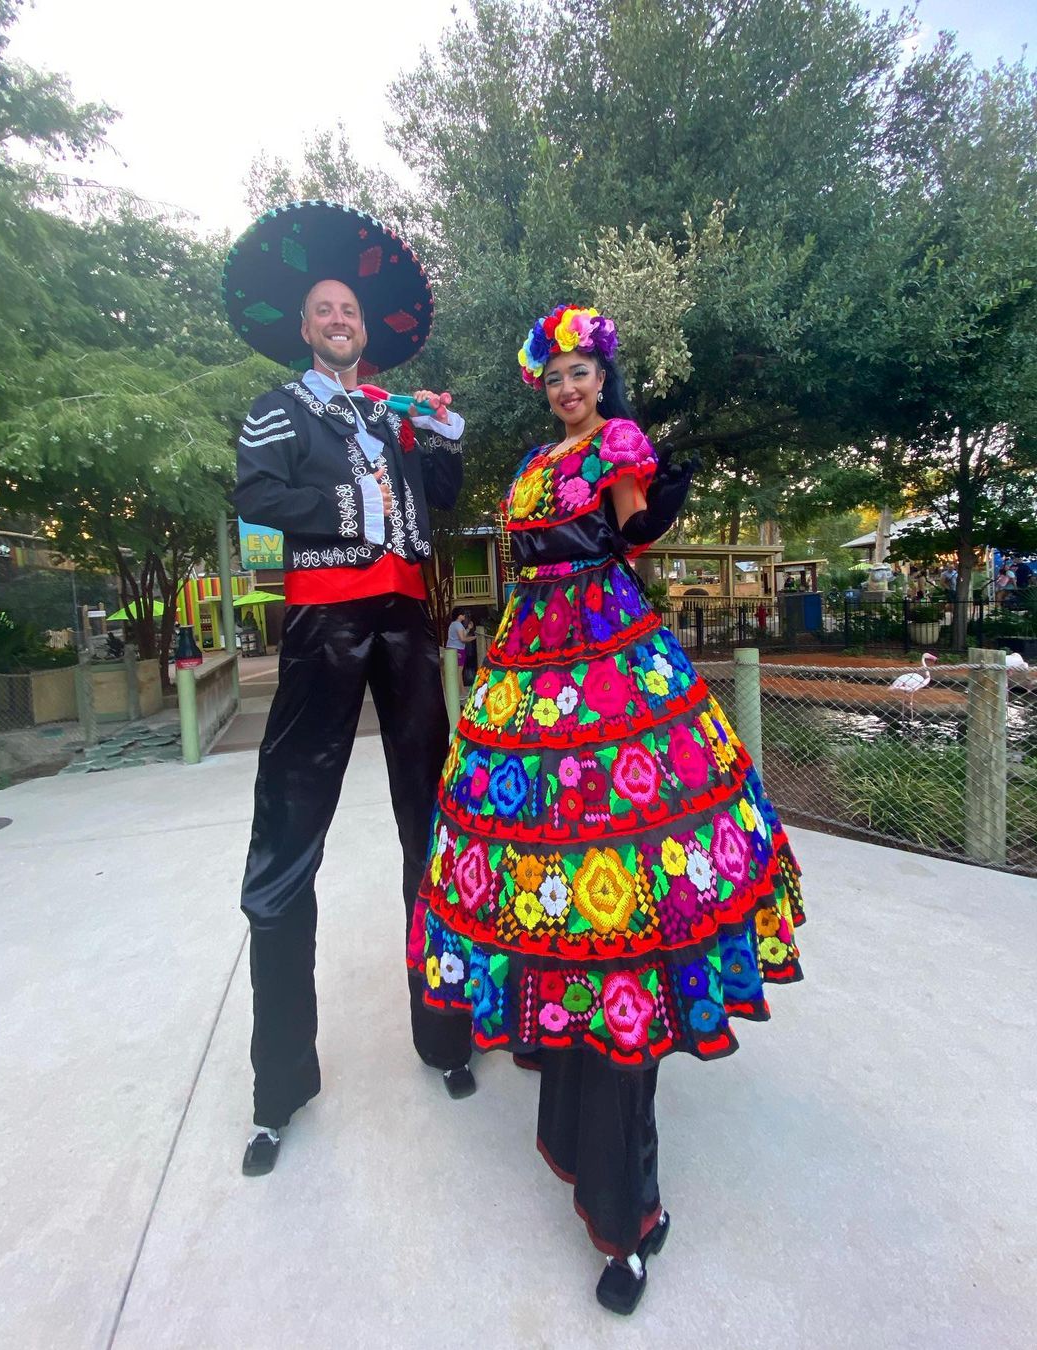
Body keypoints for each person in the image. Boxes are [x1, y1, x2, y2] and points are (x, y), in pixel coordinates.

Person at [408, 304, 806, 1314]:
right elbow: (525, 553)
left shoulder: (618, 445)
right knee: (527, 854)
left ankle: (628, 1185)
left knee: (627, 866)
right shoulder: (533, 464)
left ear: (604, 378)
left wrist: (650, 486)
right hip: (529, 657)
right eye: (555, 376)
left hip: (612, 659)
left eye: (581, 371)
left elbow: (632, 528)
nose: (568, 386)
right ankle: (552, 1013)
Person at [223, 200, 475, 1177]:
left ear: (368, 331)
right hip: (325, 622)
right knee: (289, 836)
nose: (340, 318)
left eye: (352, 311)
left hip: (409, 624)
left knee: (436, 823)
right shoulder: (280, 408)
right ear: (305, 324)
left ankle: (447, 1038)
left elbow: (442, 500)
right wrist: (350, 501)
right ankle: (278, 1087)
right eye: (326, 308)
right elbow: (256, 495)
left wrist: (443, 438)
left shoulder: (398, 414)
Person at [446, 609, 470, 688]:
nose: (464, 616)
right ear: (459, 615)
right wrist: (473, 638)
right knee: (459, 672)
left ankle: (459, 691)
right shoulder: (458, 625)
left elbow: (462, 634)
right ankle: (461, 691)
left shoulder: (453, 624)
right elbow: (462, 638)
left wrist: (468, 629)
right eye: (463, 614)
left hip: (450, 648)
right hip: (458, 649)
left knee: (454, 671)